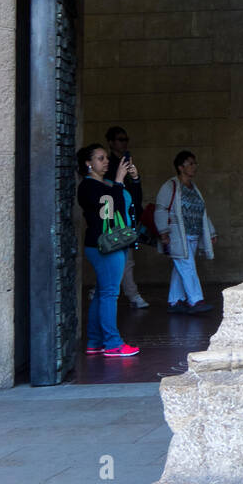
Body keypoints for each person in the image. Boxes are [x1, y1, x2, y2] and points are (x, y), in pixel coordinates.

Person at [77, 143, 141, 357]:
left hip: (114, 243)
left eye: (106, 158)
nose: (106, 162)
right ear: (88, 163)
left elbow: (130, 205)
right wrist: (119, 181)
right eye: (100, 158)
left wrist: (133, 179)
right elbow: (109, 210)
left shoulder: (106, 183)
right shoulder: (87, 187)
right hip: (103, 245)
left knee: (102, 293)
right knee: (109, 294)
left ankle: (95, 341)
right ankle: (113, 344)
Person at [155, 151, 217, 315]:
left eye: (195, 163)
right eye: (190, 163)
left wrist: (210, 232)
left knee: (180, 268)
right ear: (180, 167)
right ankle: (196, 300)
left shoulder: (194, 188)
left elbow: (202, 211)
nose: (194, 166)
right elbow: (160, 209)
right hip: (177, 236)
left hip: (193, 235)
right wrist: (163, 232)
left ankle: (174, 301)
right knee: (188, 267)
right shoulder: (171, 186)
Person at [106, 126, 148, 309]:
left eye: (126, 139)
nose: (124, 143)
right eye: (120, 139)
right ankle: (132, 294)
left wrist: (135, 178)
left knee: (120, 260)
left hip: (128, 218)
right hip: (114, 219)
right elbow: (109, 196)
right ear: (111, 142)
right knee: (122, 260)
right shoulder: (109, 166)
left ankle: (102, 291)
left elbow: (134, 195)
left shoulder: (126, 162)